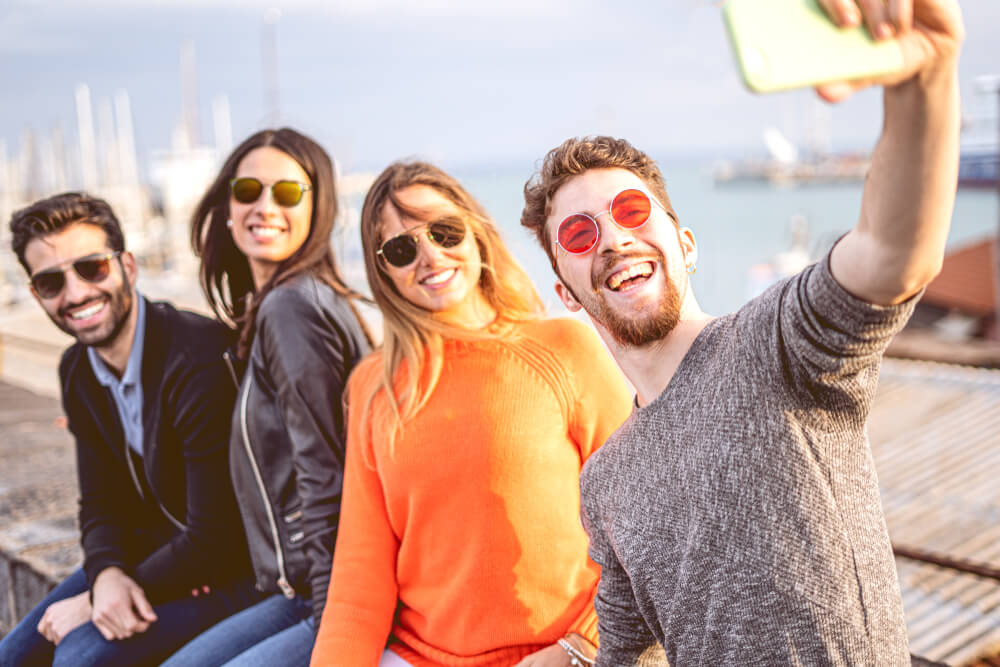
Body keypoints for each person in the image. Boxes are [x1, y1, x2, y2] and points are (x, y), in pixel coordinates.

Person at [519, 0, 963, 664]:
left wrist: (926, 79)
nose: (612, 237)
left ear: (686, 243)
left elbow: (892, 254)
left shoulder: (775, 343)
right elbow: (625, 650)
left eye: (631, 209)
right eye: (579, 234)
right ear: (566, 292)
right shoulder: (605, 480)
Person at [309, 161, 632, 666]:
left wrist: (581, 645)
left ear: (476, 233)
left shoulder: (564, 348)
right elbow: (359, 576)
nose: (430, 255)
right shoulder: (373, 388)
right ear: (384, 273)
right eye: (401, 248)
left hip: (559, 654)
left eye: (444, 231)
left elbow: (644, 519)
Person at [0, 193, 258, 667]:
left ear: (128, 267)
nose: (75, 294)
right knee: (12, 654)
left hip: (237, 573)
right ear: (36, 294)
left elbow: (216, 536)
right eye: (51, 281)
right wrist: (105, 575)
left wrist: (99, 596)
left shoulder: (196, 359)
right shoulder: (77, 369)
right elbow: (99, 504)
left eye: (92, 268)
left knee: (80, 655)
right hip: (159, 556)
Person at [162, 128, 372, 666]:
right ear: (227, 204)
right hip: (292, 586)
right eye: (249, 190)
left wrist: (330, 628)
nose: (264, 207)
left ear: (317, 206)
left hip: (327, 592)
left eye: (286, 193)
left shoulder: (291, 310)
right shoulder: (281, 305)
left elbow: (325, 474)